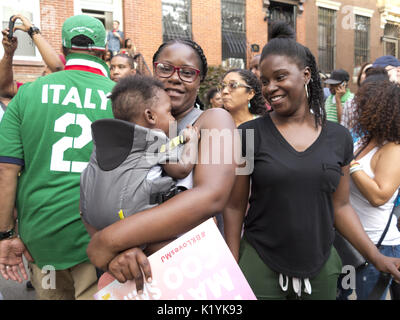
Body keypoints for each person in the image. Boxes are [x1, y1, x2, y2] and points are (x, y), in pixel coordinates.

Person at [222, 22, 400, 300]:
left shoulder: (338, 137)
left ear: (306, 75)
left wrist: (376, 256)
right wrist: (232, 262)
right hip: (259, 263)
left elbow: (340, 207)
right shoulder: (247, 135)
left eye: (280, 77)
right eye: (265, 81)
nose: (271, 88)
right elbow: (234, 206)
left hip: (321, 269)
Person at [85, 39, 239, 292]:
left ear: (200, 81)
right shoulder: (126, 130)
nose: (176, 78)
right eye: (165, 68)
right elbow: (99, 191)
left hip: (191, 271)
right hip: (135, 276)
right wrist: (120, 252)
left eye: (188, 72)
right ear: (153, 71)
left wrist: (108, 241)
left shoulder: (214, 120)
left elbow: (211, 196)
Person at [0, 14, 115, 300]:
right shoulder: (122, 97)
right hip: (98, 239)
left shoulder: (27, 95)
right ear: (104, 51)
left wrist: (5, 235)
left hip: (42, 241)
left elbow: (6, 171)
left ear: (63, 50)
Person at [80, 75, 199, 234]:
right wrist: (192, 141)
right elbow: (182, 169)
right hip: (134, 219)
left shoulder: (107, 141)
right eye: (169, 112)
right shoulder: (154, 138)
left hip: (95, 219)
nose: (173, 118)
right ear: (150, 116)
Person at [346, 80, 400, 300]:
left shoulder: (393, 148)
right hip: (355, 243)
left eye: (363, 105)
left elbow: (379, 195)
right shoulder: (365, 140)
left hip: (379, 247)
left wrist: (350, 163)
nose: (357, 109)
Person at [0, 14, 65, 98]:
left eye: (49, 67)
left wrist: (33, 31)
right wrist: (8, 54)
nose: (45, 70)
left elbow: (57, 67)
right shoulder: (37, 90)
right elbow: (4, 88)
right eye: (46, 66)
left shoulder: (70, 94)